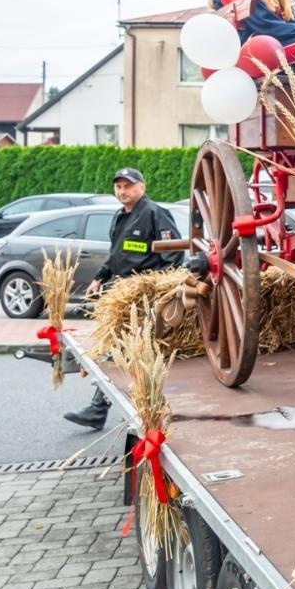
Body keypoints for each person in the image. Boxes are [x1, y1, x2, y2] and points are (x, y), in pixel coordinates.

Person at [64, 168, 184, 430]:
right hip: (121, 293)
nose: (122, 191)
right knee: (120, 352)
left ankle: (103, 409)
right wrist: (99, 277)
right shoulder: (120, 216)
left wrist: (153, 289)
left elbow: (174, 256)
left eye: (128, 186)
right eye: (118, 186)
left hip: (142, 297)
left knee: (120, 352)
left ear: (142, 186)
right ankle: (103, 409)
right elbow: (116, 254)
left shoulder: (154, 213)